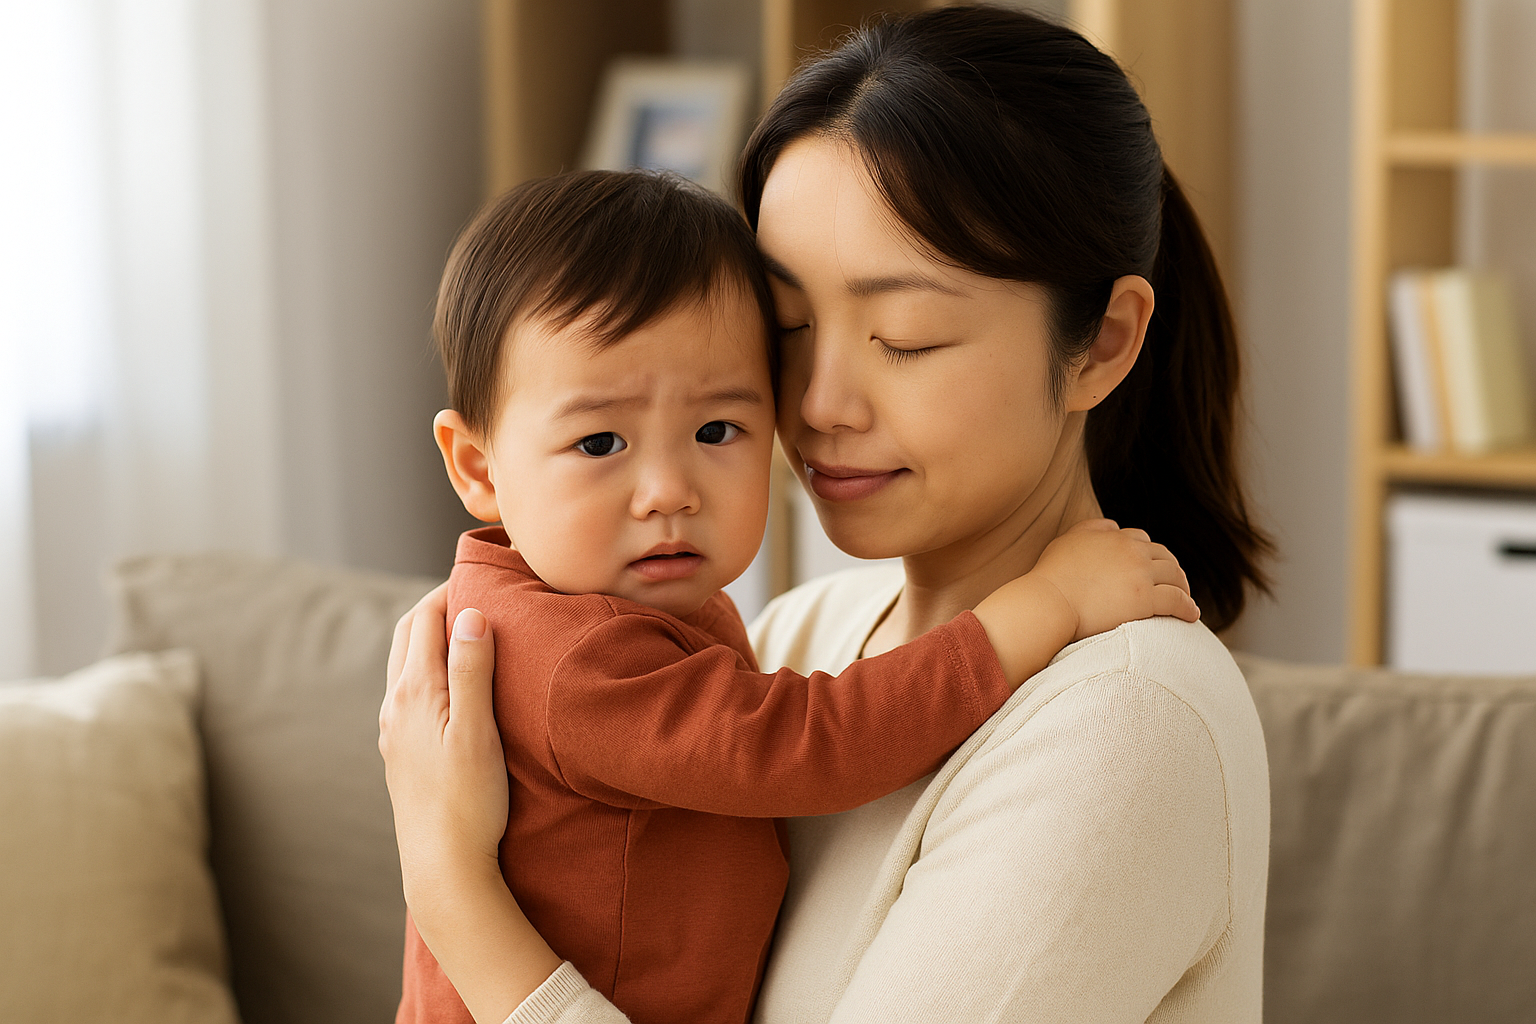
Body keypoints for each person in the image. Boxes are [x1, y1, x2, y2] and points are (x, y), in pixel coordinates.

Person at [379, 6, 1274, 1024]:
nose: (817, 404)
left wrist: (449, 885)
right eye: (789, 327)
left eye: (905, 335)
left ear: (1103, 343)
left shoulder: (1128, 723)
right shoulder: (806, 630)